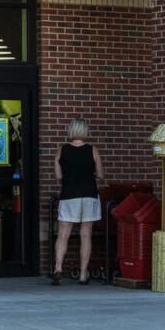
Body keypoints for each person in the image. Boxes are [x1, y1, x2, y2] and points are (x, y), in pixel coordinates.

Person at [51, 119, 104, 285]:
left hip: (69, 194)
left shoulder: (62, 150)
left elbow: (58, 176)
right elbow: (100, 175)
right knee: (86, 235)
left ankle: (58, 267)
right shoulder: (93, 150)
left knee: (63, 234)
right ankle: (82, 274)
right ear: (85, 131)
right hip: (89, 194)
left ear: (70, 131)